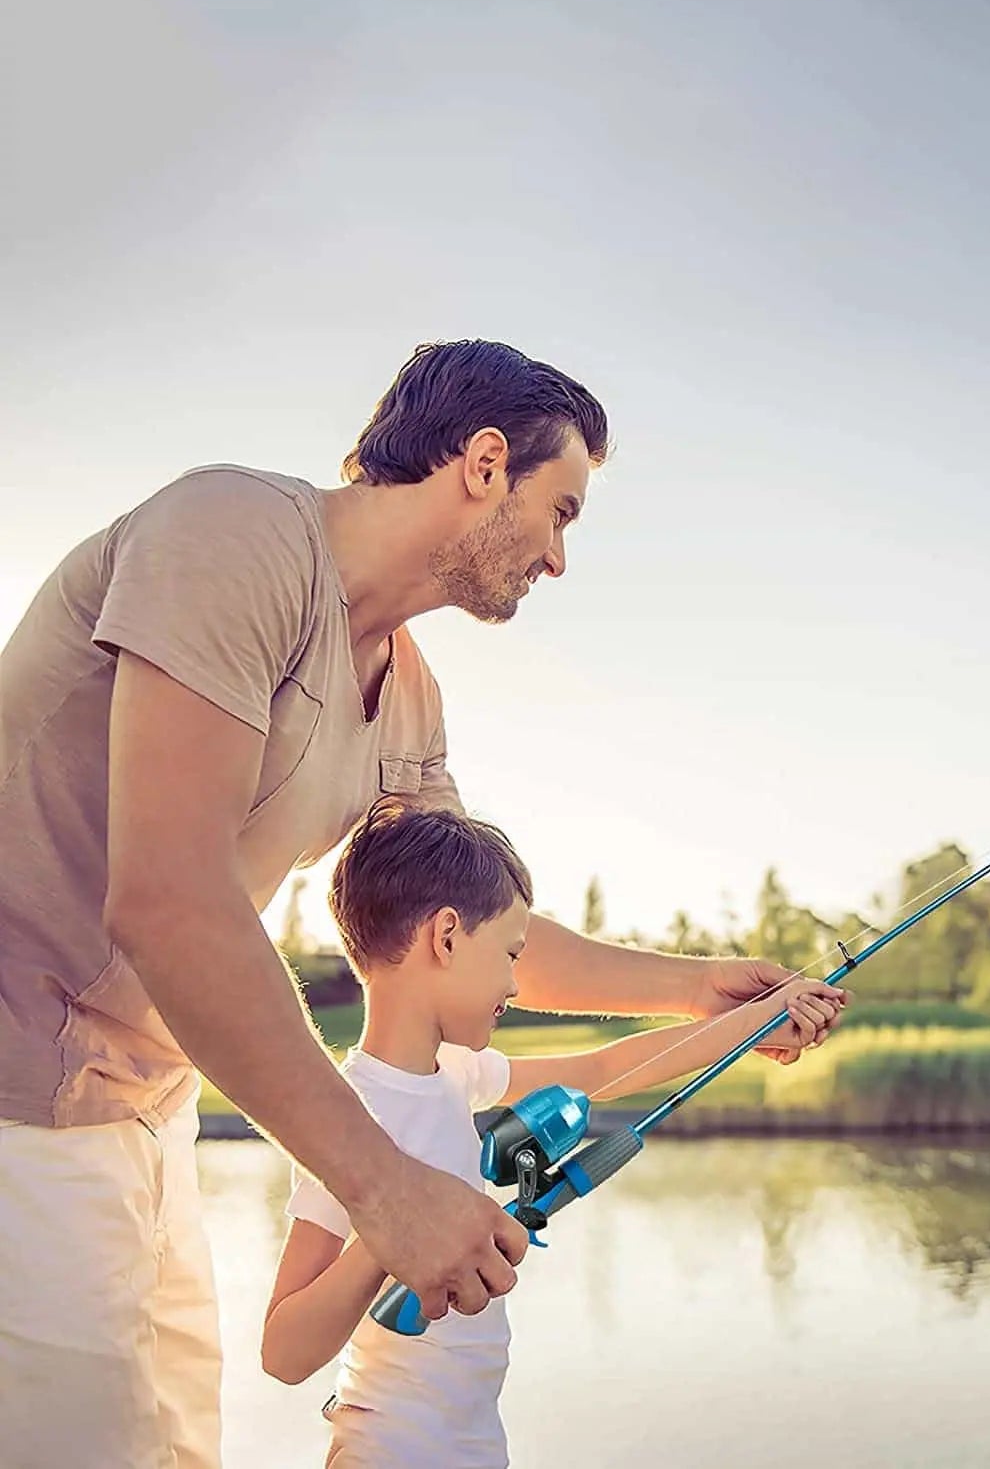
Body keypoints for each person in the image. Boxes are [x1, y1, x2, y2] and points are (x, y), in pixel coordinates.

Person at [0, 339, 846, 1468]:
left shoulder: (409, 696)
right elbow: (168, 898)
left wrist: (701, 991)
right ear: (485, 464)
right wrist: (385, 1188)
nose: (558, 557)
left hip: (142, 1108)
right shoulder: (231, 537)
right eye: (562, 511)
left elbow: (474, 932)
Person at [261, 800, 842, 1466]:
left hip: (473, 1443)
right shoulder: (347, 1117)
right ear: (447, 937)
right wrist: (391, 1231)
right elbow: (284, 1351)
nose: (515, 982)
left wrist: (755, 1023)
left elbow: (604, 1068)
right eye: (510, 953)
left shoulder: (456, 1072)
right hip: (390, 1448)